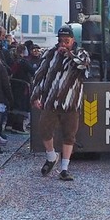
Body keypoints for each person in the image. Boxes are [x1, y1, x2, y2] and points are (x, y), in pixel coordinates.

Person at [31, 26, 90, 181]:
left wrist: (69, 54)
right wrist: (35, 96)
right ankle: (51, 156)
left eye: (67, 41)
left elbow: (83, 65)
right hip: (50, 101)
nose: (63, 44)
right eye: (60, 41)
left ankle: (64, 169)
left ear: (73, 40)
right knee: (44, 129)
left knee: (69, 135)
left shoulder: (81, 53)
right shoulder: (50, 54)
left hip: (70, 103)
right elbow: (39, 75)